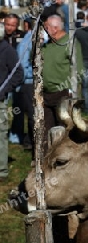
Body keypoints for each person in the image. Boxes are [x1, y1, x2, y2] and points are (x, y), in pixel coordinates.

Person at [42, 14, 83, 153]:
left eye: (46, 27)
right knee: (46, 129)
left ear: (55, 28)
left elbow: (79, 70)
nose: (44, 29)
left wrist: (71, 90)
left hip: (62, 93)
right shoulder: (46, 45)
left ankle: (65, 156)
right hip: (45, 94)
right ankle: (47, 158)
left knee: (64, 128)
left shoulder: (70, 43)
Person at [0, 24, 24, 181]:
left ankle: (1, 170)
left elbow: (18, 74)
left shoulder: (8, 51)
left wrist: (3, 90)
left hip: (0, 101)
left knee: (0, 135)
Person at [10, 18, 34, 152]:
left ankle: (28, 140)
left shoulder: (26, 41)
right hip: (28, 83)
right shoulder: (27, 42)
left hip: (28, 83)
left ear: (26, 26)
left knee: (29, 112)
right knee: (31, 113)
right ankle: (29, 141)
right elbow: (22, 66)